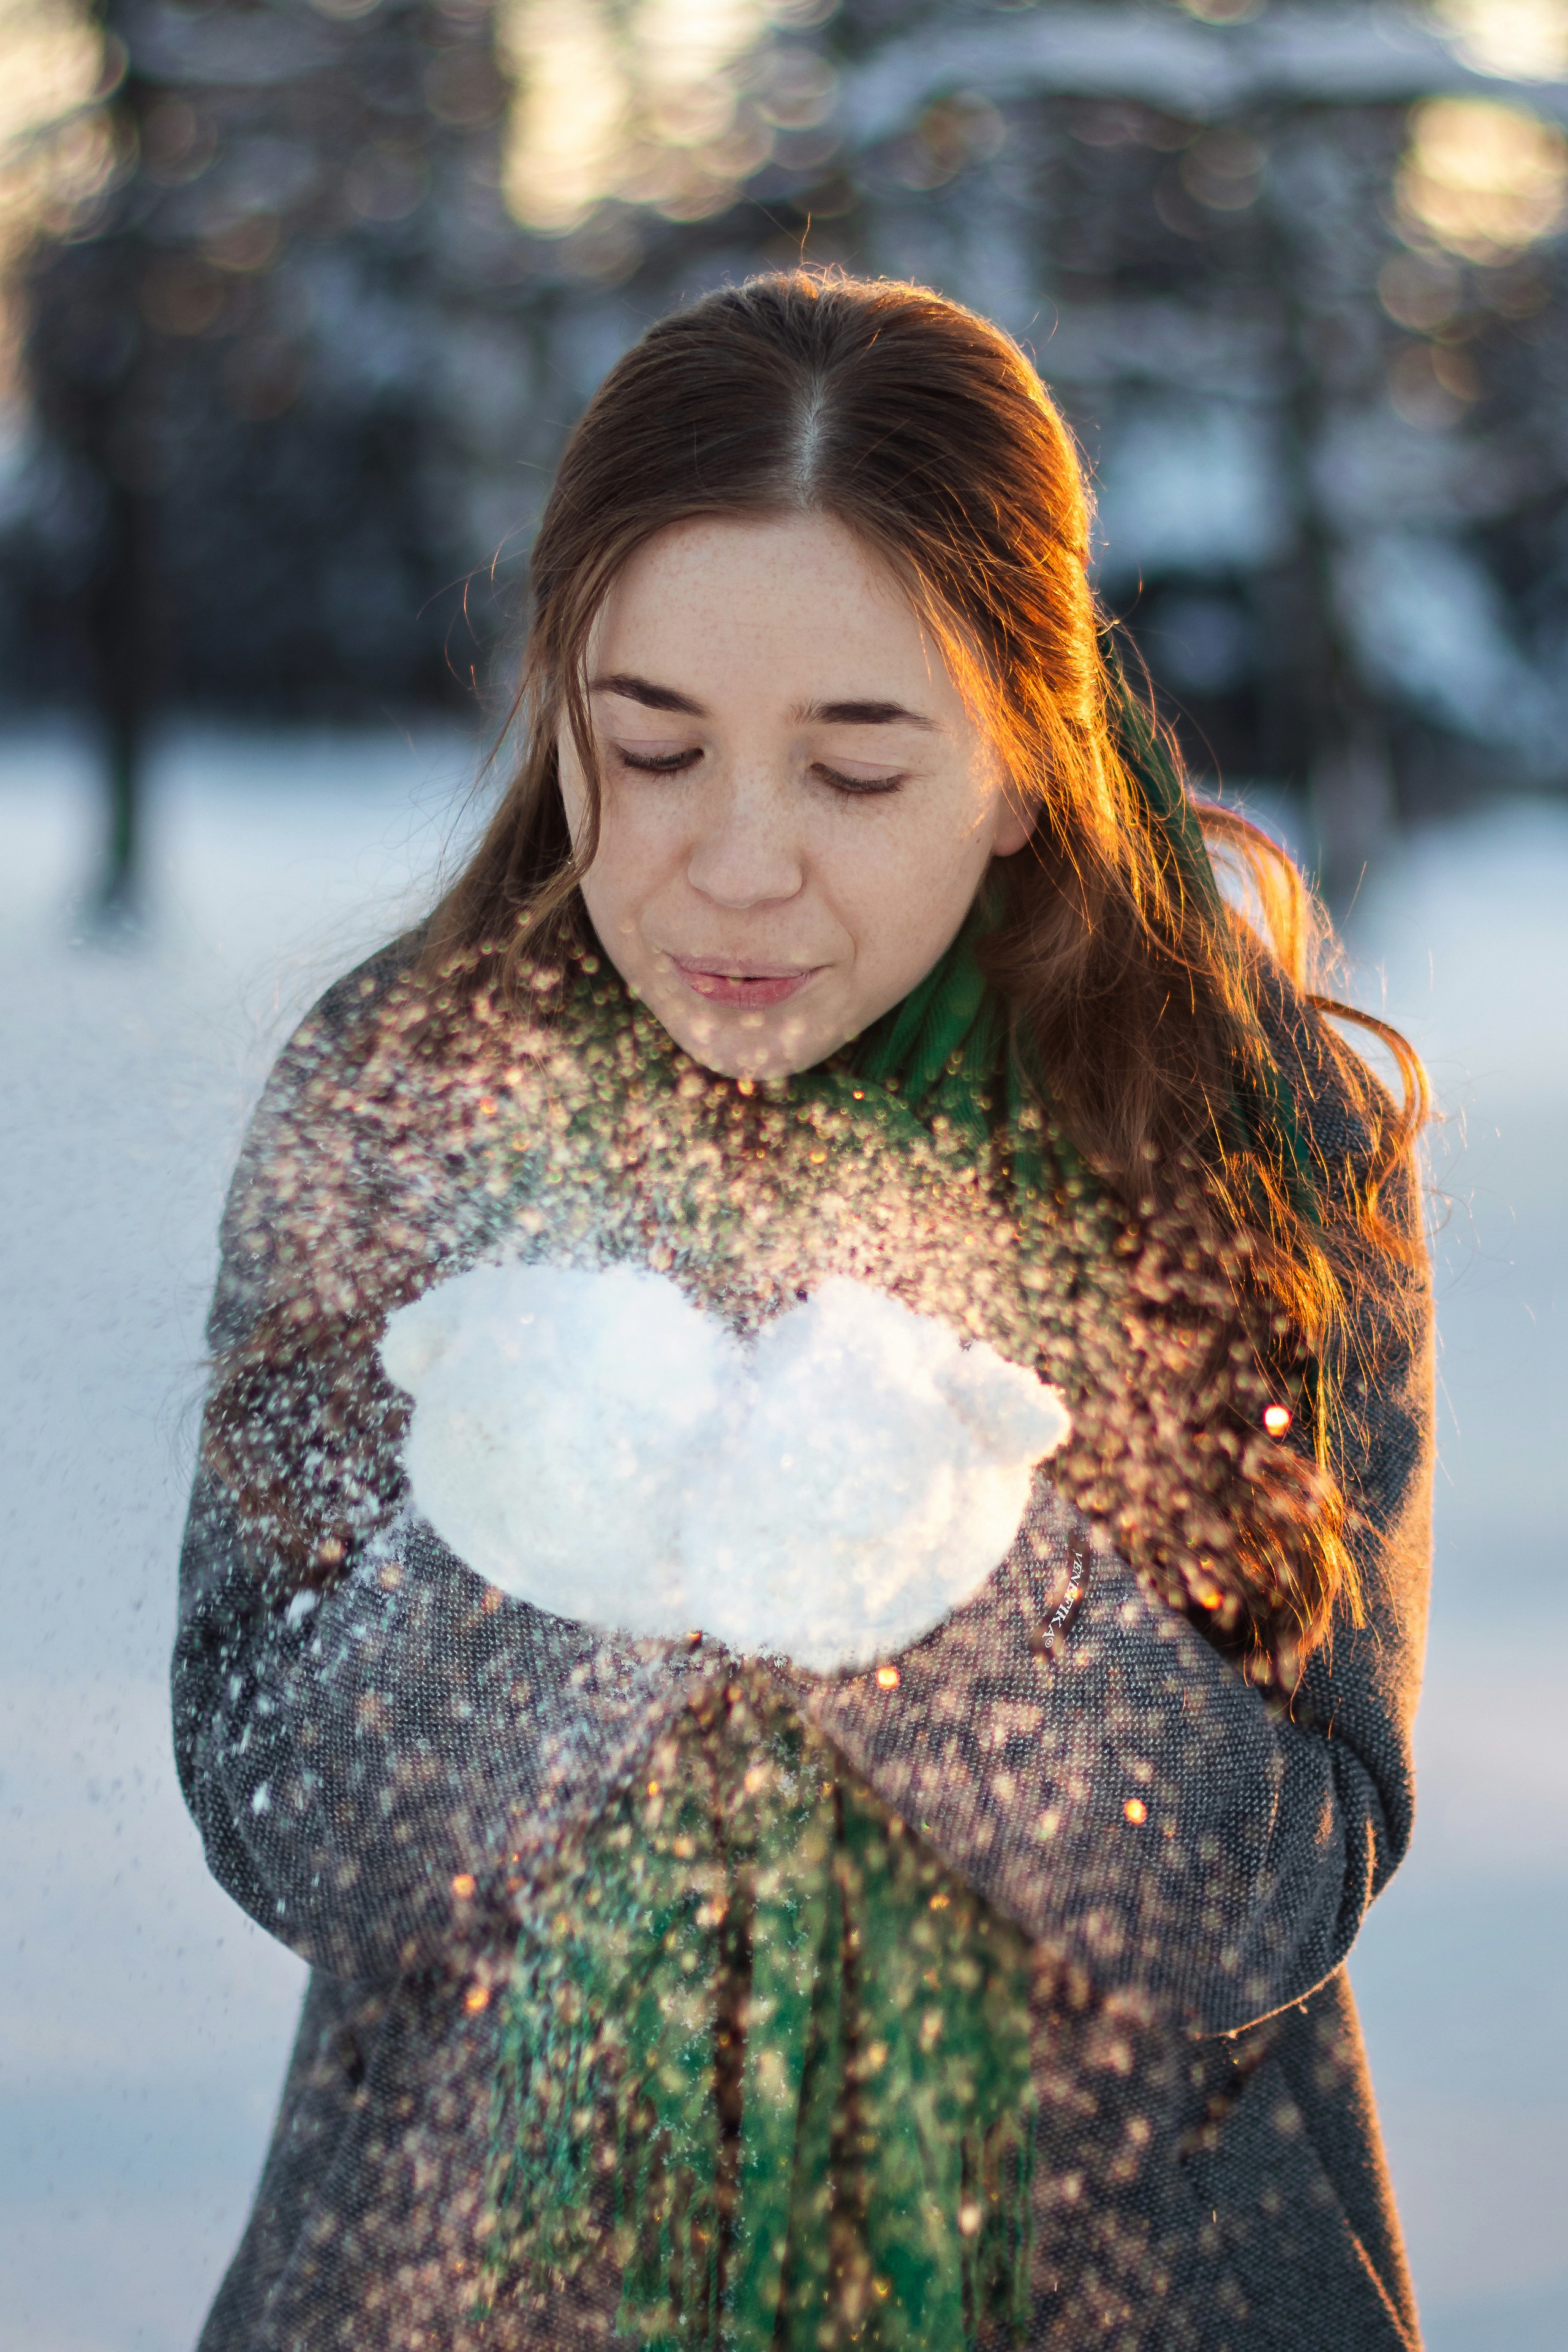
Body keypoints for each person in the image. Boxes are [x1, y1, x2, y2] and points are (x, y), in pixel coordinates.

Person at [173, 271, 1433, 2352]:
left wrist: (931, 1569)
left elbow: (1265, 1891)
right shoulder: (412, 1088)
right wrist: (568, 1507)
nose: (731, 865)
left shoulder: (1235, 1129)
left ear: (1027, 760)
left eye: (855, 772)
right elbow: (284, 1806)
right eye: (650, 748)